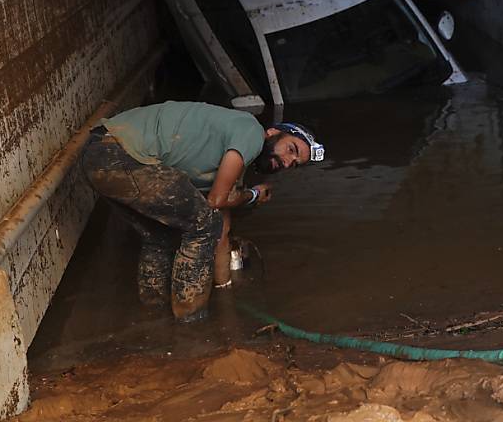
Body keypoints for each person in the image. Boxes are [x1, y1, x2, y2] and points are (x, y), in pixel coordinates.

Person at [80, 100, 324, 322]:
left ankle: (153, 317)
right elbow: (216, 202)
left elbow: (222, 222)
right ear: (273, 132)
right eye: (291, 149)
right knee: (203, 226)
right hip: (120, 154)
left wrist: (225, 289)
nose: (286, 161)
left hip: (99, 154)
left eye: (294, 164)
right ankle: (191, 321)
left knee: (161, 236)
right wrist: (253, 196)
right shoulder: (251, 132)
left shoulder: (233, 149)